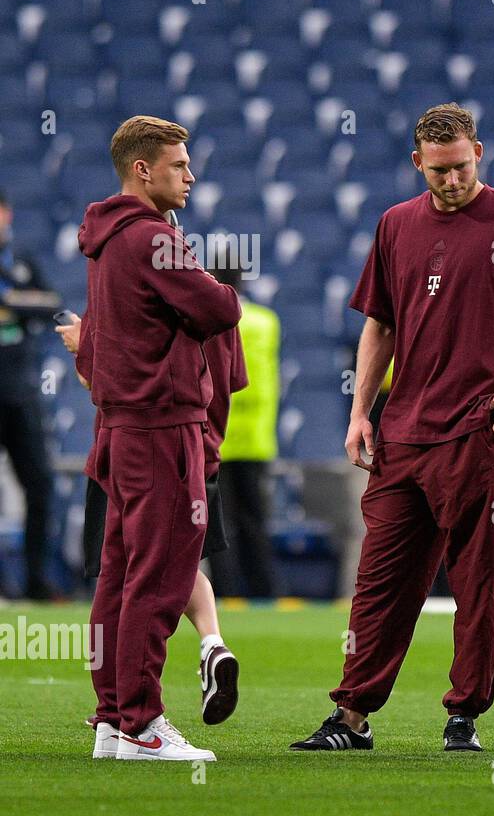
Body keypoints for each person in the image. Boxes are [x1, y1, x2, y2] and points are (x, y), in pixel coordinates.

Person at [291, 104, 494, 754]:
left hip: (477, 434)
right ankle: (352, 716)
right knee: (379, 580)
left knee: (476, 577)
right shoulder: (396, 225)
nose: (452, 180)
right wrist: (360, 410)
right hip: (402, 433)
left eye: (462, 167)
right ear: (417, 162)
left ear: (478, 152)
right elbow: (380, 324)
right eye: (439, 170)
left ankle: (464, 713)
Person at [77, 115, 243, 762]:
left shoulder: (105, 239)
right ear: (143, 170)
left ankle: (114, 720)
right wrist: (215, 285)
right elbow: (221, 309)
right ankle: (144, 724)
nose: (191, 175)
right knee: (160, 578)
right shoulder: (152, 238)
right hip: (162, 429)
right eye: (180, 164)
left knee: (118, 579)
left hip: (119, 429)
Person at [207, 254, 282, 599]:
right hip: (256, 439)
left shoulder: (211, 321)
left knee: (220, 524)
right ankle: (264, 590)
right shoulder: (266, 322)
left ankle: (225, 593)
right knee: (255, 521)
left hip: (217, 437)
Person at [0, 189, 63, 600]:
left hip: (21, 393)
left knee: (40, 485)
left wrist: (8, 302)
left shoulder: (20, 263)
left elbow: (53, 305)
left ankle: (37, 581)